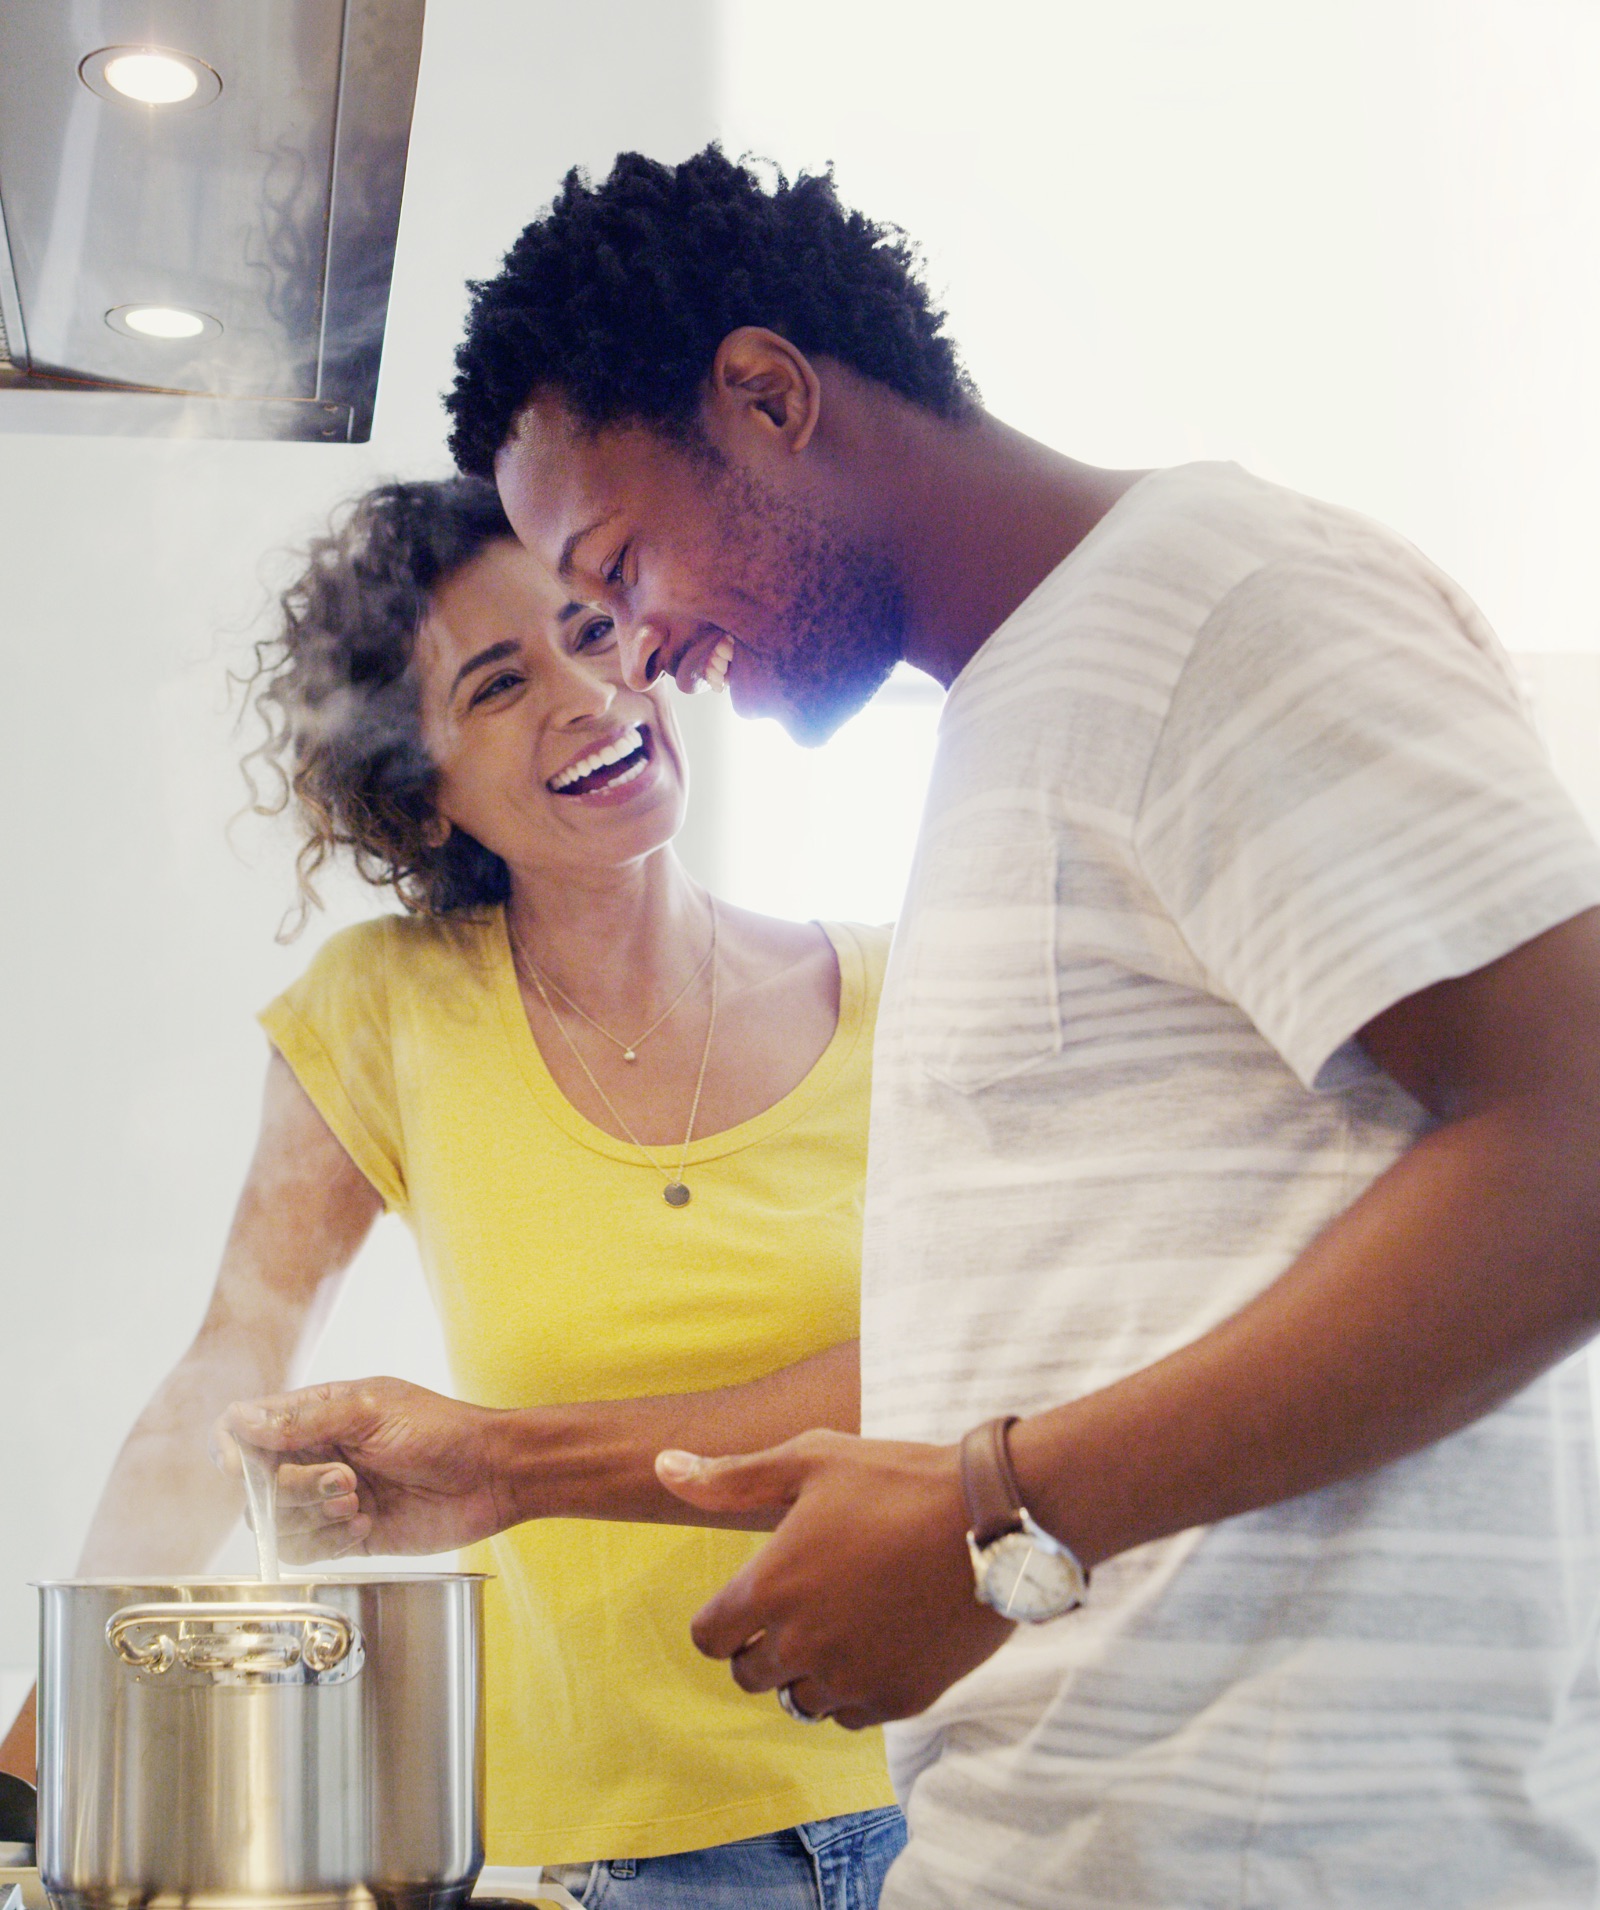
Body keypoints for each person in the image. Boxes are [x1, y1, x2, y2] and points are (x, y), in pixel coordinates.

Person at [235, 149, 1600, 1909]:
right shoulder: (1017, 710)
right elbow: (1112, 1321)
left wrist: (988, 1520)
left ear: (770, 396)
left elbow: (1575, 1135)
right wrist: (550, 1464)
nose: (635, 654)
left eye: (618, 569)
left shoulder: (1220, 603)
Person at [2, 475, 906, 1909]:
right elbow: (232, 1361)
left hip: (945, 1796)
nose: (587, 695)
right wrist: (38, 1753)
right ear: (423, 791)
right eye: (498, 684)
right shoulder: (388, 1011)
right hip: (614, 1854)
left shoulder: (904, 994)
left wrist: (504, 1454)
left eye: (594, 631)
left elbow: (974, 1374)